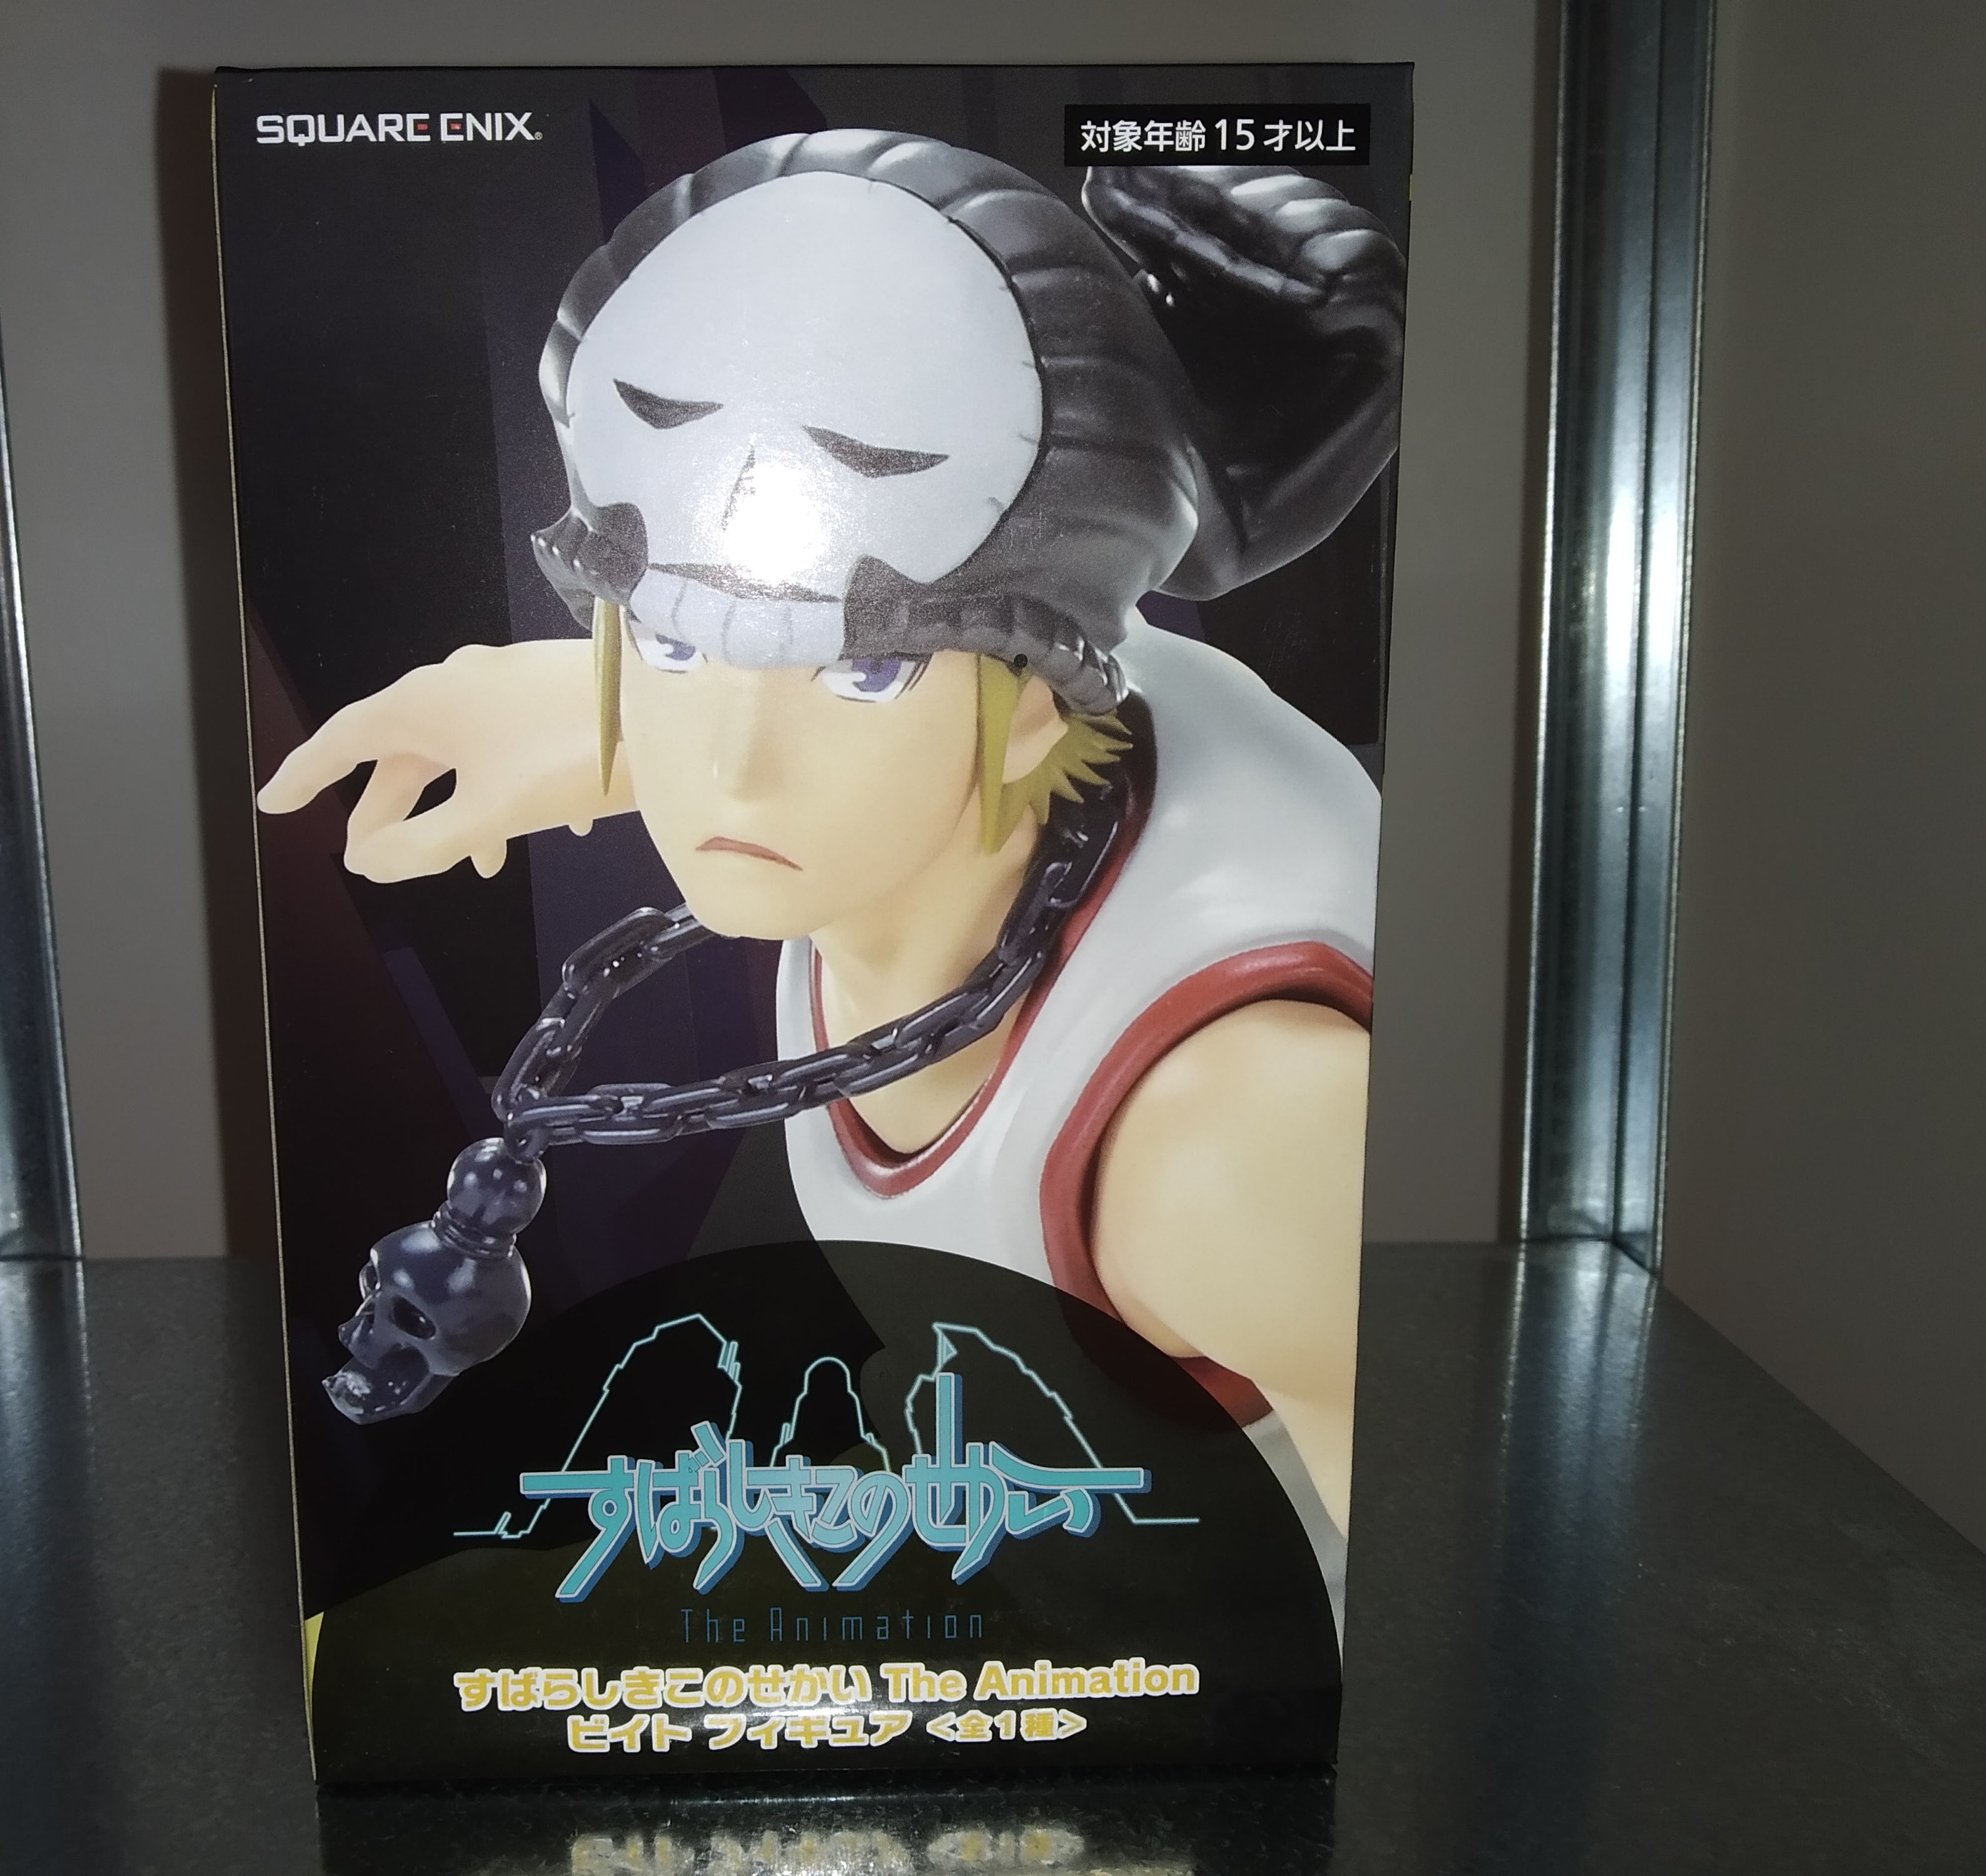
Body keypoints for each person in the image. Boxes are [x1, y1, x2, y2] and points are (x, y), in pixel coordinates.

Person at [258, 132, 1402, 1580]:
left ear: (1037, 697)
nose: (732, 770)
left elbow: (1445, 1633)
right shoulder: (912, 771)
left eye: (861, 673)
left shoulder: (1223, 1151)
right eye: (675, 641)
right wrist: (587, 708)